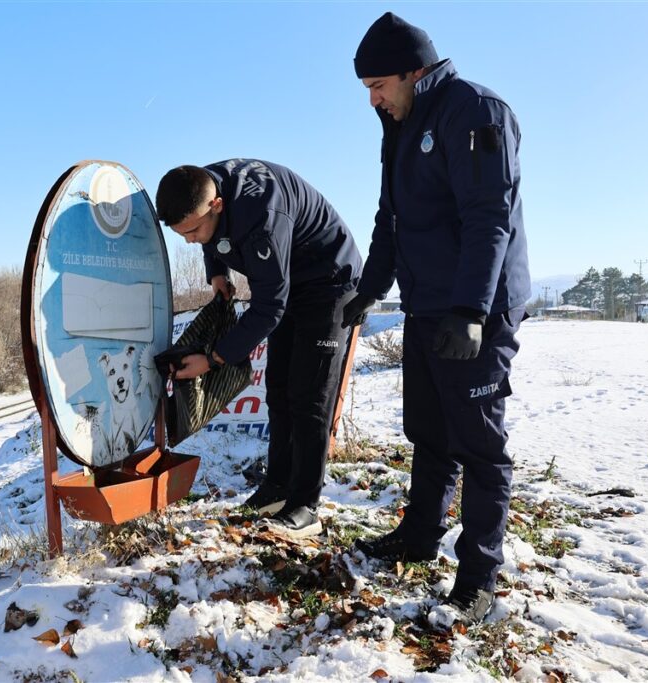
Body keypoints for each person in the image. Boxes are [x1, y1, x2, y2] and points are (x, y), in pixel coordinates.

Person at [343, 13, 531, 622]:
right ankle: (421, 534)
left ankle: (479, 575)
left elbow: (488, 218)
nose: (372, 98)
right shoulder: (398, 123)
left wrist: (472, 311)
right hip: (426, 306)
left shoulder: (473, 111)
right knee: (428, 430)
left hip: (477, 309)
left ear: (413, 71)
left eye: (378, 85)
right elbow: (388, 219)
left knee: (479, 445)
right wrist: (368, 291)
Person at [156, 160, 363, 540]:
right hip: (287, 284)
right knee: (279, 390)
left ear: (216, 206)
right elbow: (211, 237)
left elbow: (269, 306)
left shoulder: (261, 216)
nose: (189, 239)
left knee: (310, 396)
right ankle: (277, 487)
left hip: (329, 283)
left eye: (193, 231)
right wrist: (216, 271)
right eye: (181, 234)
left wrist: (215, 358)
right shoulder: (201, 185)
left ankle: (306, 505)